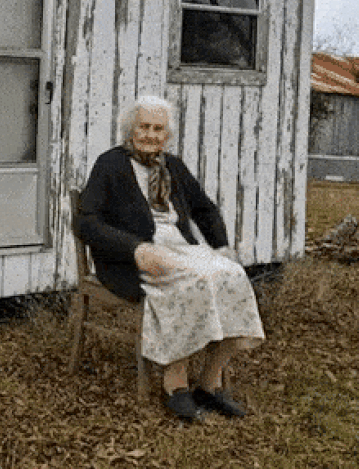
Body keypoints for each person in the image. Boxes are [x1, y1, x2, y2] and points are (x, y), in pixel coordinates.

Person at [76, 95, 265, 422]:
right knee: (193, 282)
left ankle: (210, 381)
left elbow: (204, 208)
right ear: (130, 129)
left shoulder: (173, 166)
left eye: (157, 128)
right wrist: (135, 248)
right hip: (131, 259)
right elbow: (86, 222)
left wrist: (221, 249)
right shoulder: (110, 164)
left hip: (181, 249)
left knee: (233, 277)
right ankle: (175, 384)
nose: (150, 134)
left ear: (168, 135)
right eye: (143, 126)